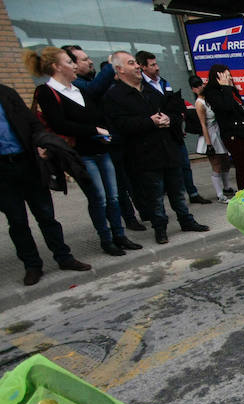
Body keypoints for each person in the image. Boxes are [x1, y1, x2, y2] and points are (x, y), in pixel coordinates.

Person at [26, 46, 141, 257]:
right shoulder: (46, 92)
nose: (73, 66)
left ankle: (120, 236)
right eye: (69, 62)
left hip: (101, 149)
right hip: (81, 154)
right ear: (56, 66)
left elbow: (95, 114)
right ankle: (106, 240)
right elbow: (60, 124)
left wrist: (102, 130)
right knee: (99, 198)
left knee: (113, 197)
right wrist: (93, 130)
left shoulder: (78, 89)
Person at [103, 51, 209, 245]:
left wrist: (170, 119)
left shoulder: (152, 90)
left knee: (178, 191)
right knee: (155, 196)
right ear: (120, 69)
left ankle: (186, 220)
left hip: (168, 150)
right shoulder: (114, 95)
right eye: (131, 63)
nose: (137, 66)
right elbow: (120, 125)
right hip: (144, 156)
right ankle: (160, 228)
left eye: (136, 63)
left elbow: (175, 111)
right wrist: (149, 122)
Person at [0, 82, 91, 285]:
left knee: (46, 215)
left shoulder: (6, 93)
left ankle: (64, 257)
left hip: (26, 163)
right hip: (3, 173)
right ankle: (32, 266)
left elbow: (32, 123)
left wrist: (42, 142)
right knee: (17, 222)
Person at [136, 50, 208, 205]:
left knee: (184, 165)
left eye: (156, 63)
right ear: (142, 67)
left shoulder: (163, 82)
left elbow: (174, 105)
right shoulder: (140, 87)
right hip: (157, 138)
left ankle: (192, 193)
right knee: (166, 173)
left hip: (174, 132)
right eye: (152, 65)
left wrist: (174, 117)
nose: (157, 67)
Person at [203, 63, 244, 190]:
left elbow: (240, 108)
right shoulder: (213, 93)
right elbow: (226, 107)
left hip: (243, 132)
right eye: (226, 76)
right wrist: (226, 88)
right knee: (241, 165)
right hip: (233, 134)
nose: (230, 79)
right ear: (218, 78)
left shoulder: (231, 91)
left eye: (229, 76)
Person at [190, 75, 231, 204]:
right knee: (216, 165)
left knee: (225, 162)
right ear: (193, 89)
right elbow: (203, 124)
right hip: (210, 135)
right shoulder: (199, 103)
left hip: (219, 132)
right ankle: (220, 194)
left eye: (200, 84)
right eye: (196, 86)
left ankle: (226, 187)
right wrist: (209, 144)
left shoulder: (209, 99)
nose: (200, 87)